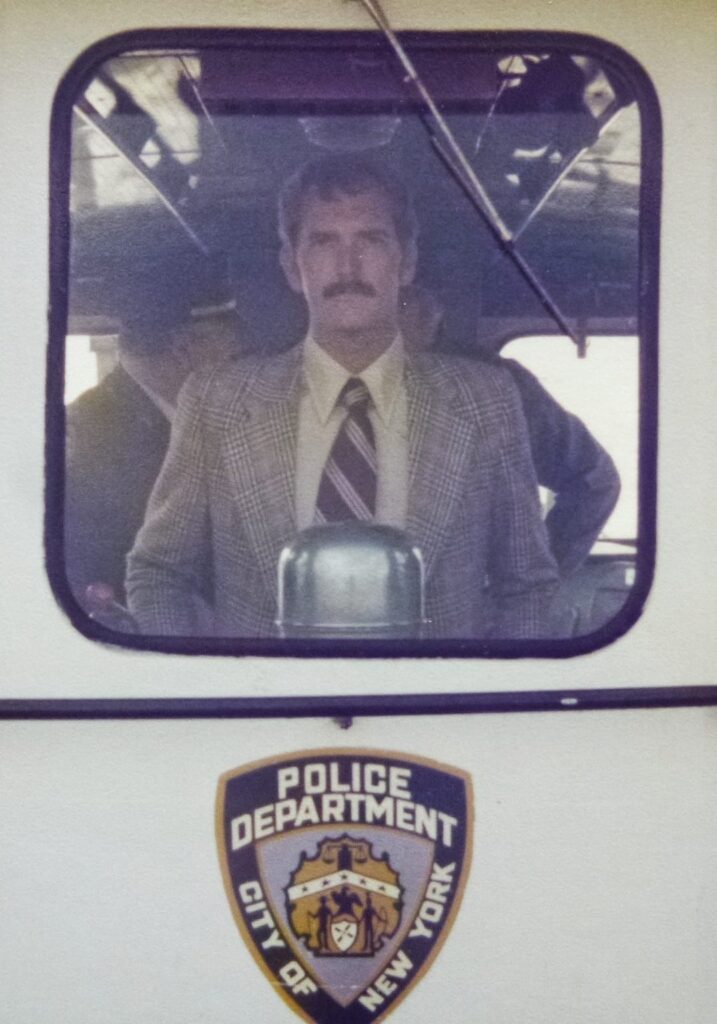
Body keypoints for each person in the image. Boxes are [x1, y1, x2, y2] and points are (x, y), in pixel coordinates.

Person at [126, 155, 558, 639]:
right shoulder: (218, 401)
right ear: (293, 266)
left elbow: (527, 587)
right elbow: (159, 573)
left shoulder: (486, 401)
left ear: (407, 261)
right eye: (323, 242)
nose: (347, 266)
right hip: (263, 710)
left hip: (438, 710)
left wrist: (481, 704)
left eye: (370, 240)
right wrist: (206, 693)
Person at [399, 285, 621, 575]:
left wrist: (530, 581)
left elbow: (594, 479)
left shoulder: (498, 387)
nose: (424, 311)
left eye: (416, 297)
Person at [64, 286, 240, 611]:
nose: (241, 366)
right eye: (234, 350)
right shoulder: (88, 437)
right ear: (185, 348)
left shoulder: (112, 418)